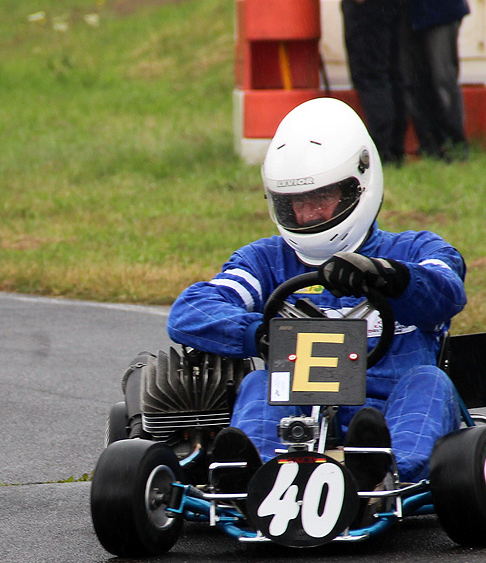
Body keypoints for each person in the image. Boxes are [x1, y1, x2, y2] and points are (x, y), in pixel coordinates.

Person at [166, 98, 466, 492]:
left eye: (320, 199)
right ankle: (253, 479)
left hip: (391, 409)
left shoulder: (415, 251)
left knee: (430, 380)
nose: (307, 216)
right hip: (297, 418)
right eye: (295, 203)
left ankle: (386, 472)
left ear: (358, 184)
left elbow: (447, 291)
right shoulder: (266, 262)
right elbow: (190, 311)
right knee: (258, 384)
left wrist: (389, 278)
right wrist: (260, 333)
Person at [401, 0, 470, 162]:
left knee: (443, 78)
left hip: (441, 9)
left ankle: (455, 144)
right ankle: (429, 145)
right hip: (408, 13)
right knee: (414, 81)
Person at [340, 0, 407, 166]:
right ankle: (395, 148)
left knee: (371, 75)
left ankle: (381, 151)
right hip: (391, 7)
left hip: (366, 7)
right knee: (392, 73)